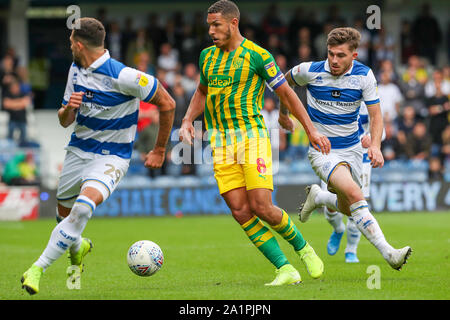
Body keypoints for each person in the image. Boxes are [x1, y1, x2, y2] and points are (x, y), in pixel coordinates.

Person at [179, 0, 330, 286]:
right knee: (239, 210)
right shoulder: (206, 57)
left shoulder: (258, 55)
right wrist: (187, 119)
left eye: (216, 25)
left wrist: (310, 129)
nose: (211, 30)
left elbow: (287, 93)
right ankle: (284, 268)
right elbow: (201, 90)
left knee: (262, 206)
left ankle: (304, 249)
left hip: (252, 137)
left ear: (233, 23)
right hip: (220, 142)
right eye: (209, 25)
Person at [21, 17, 176, 295]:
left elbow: (168, 102)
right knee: (65, 220)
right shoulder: (75, 70)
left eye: (70, 41)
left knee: (81, 210)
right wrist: (68, 108)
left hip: (111, 158)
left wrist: (160, 149)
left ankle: (37, 269)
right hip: (77, 152)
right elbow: (64, 120)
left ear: (79, 44)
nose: (69, 45)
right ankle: (78, 249)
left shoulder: (124, 76)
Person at [284, 27, 412, 270]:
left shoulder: (364, 76)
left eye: (340, 55)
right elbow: (283, 83)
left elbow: (376, 115)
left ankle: (320, 197)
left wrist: (375, 145)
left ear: (354, 56)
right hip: (323, 150)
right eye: (331, 54)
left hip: (353, 150)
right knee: (356, 195)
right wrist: (282, 114)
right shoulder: (308, 70)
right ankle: (389, 253)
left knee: (348, 206)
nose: (333, 60)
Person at [320, 102, 383, 263]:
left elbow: (382, 127)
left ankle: (351, 250)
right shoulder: (328, 95)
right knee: (329, 205)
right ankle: (338, 229)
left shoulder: (367, 97)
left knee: (358, 204)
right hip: (332, 155)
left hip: (360, 158)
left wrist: (372, 138)